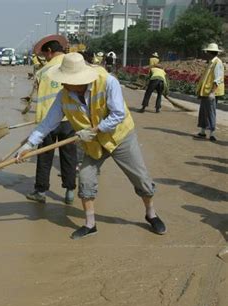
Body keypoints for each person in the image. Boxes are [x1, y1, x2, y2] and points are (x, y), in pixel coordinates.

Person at [15, 53, 167, 240]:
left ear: (80, 79)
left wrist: (95, 129)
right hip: (93, 144)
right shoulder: (64, 96)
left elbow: (118, 114)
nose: (63, 84)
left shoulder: (108, 82)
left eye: (67, 80)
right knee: (86, 180)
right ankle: (90, 224)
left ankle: (151, 214)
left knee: (141, 178)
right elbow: (48, 123)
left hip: (119, 136)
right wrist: (29, 145)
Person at [26, 36, 77, 205]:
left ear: (50, 52)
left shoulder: (43, 72)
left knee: (45, 157)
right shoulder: (73, 65)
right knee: (69, 156)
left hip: (47, 122)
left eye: (45, 54)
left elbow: (40, 97)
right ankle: (70, 192)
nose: (45, 58)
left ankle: (40, 191)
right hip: (68, 119)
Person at [194, 43, 225, 142]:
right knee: (203, 112)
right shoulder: (211, 62)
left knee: (211, 112)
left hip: (210, 92)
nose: (205, 54)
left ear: (210, 53)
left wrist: (212, 92)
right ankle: (202, 131)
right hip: (206, 92)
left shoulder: (217, 62)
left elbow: (218, 78)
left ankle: (212, 133)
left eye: (207, 52)